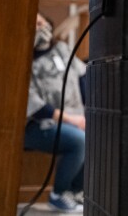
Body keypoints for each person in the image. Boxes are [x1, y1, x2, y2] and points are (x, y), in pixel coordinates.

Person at [25, 12, 86, 213]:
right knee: (79, 139)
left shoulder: (61, 49)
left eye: (42, 22)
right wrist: (72, 120)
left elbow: (82, 76)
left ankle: (77, 191)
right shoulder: (23, 62)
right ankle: (58, 194)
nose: (40, 29)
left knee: (98, 135)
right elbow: (36, 106)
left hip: (76, 117)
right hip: (39, 125)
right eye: (34, 26)